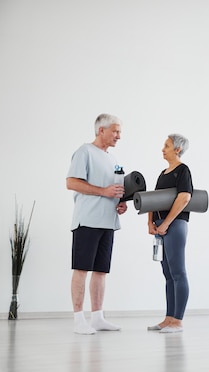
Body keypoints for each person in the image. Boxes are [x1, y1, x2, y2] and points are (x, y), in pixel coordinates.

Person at [66, 113, 128, 335]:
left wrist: (120, 203)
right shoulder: (85, 151)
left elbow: (114, 189)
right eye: (115, 131)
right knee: (81, 269)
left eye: (119, 131)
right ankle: (78, 319)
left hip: (108, 221)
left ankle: (98, 317)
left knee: (101, 271)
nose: (119, 136)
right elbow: (71, 182)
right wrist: (103, 192)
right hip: (88, 220)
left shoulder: (112, 158)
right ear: (101, 130)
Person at [146, 134, 193, 334]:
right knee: (167, 274)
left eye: (166, 146)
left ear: (177, 150)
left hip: (175, 225)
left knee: (178, 272)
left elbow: (184, 197)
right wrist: (150, 222)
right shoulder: (163, 173)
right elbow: (154, 199)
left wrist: (165, 223)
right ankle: (168, 318)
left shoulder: (183, 171)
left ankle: (178, 321)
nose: (162, 149)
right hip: (160, 226)